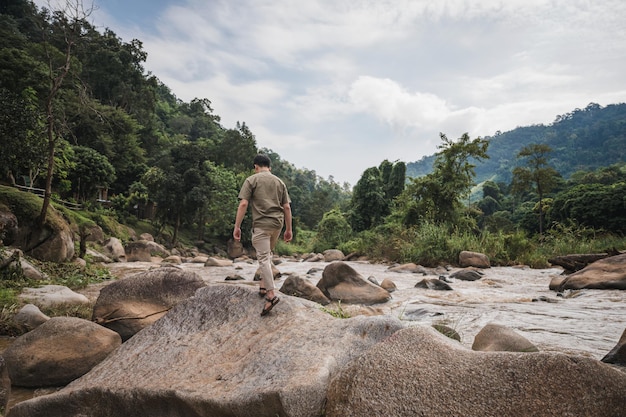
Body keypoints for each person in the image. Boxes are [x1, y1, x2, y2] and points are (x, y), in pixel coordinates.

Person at [233, 154, 292, 316]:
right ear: (269, 167)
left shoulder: (251, 180)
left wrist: (237, 226)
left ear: (255, 167)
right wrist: (289, 229)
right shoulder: (279, 182)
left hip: (261, 224)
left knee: (264, 258)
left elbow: (244, 203)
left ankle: (271, 295)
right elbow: (286, 207)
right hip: (277, 224)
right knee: (268, 254)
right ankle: (263, 285)